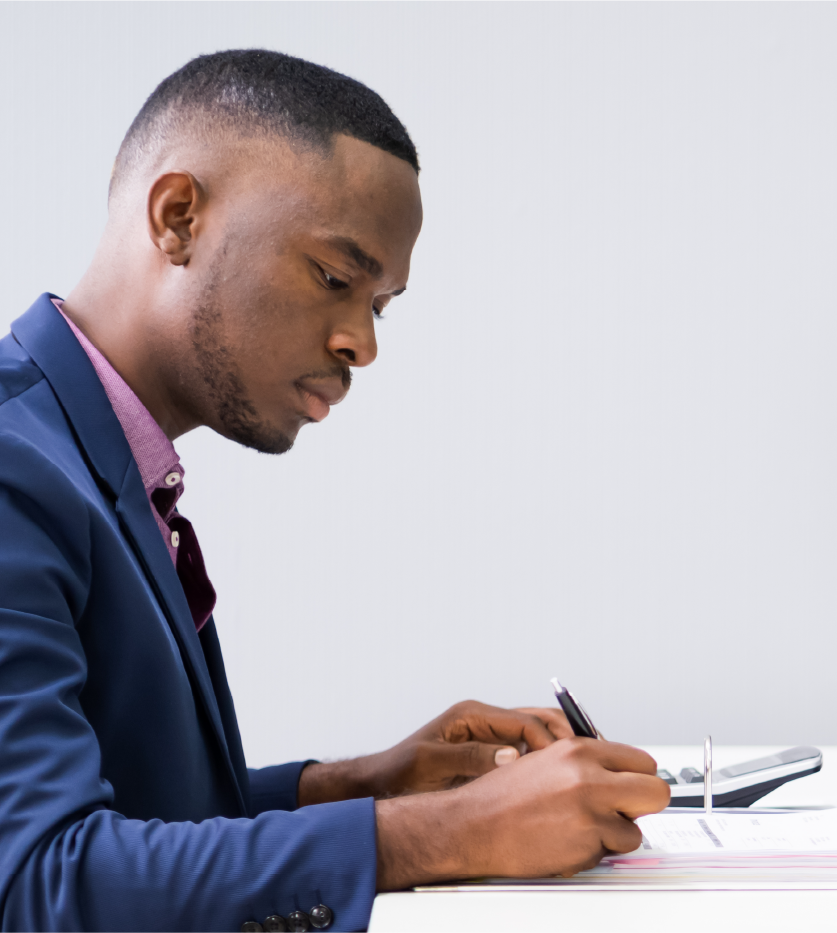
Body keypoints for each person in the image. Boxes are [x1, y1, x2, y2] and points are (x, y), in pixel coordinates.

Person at [0, 50, 670, 933]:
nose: (363, 343)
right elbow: (39, 883)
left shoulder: (100, 458)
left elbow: (150, 814)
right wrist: (439, 833)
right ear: (178, 217)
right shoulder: (15, 468)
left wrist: (366, 782)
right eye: (333, 277)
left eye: (380, 302)